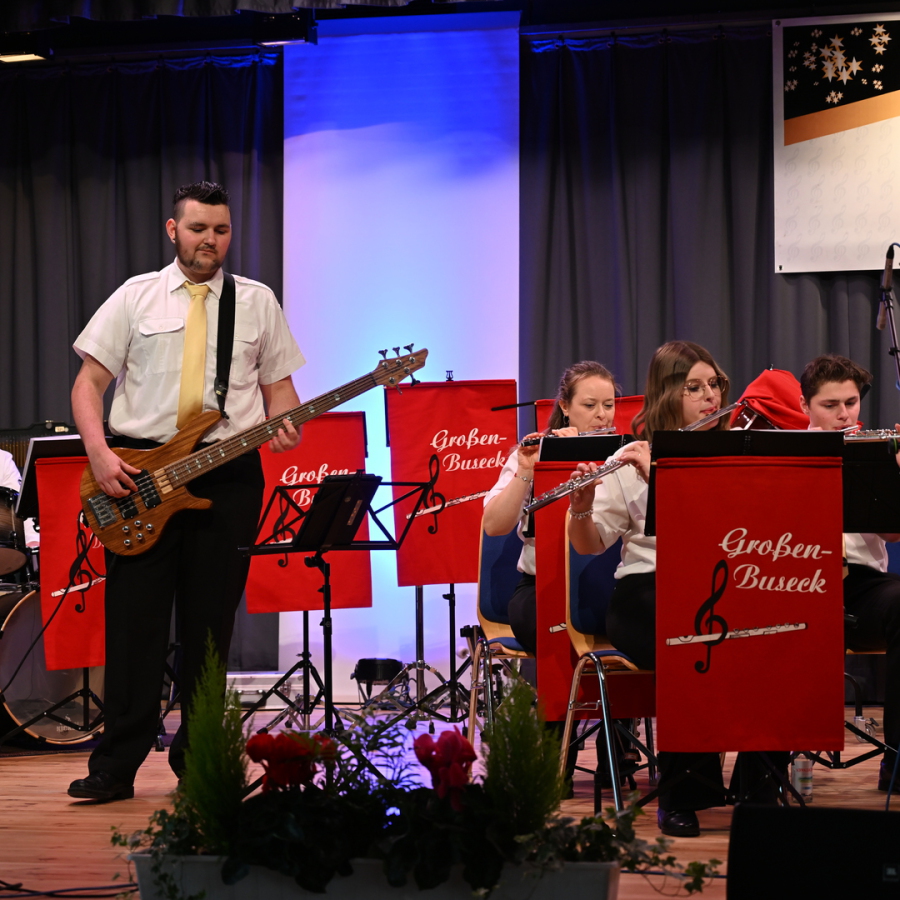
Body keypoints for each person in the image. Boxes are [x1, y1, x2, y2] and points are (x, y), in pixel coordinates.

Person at [67, 181, 305, 802]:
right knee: (134, 626)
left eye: (221, 230)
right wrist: (100, 453)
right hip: (139, 474)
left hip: (228, 476)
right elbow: (88, 385)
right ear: (173, 230)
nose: (211, 241)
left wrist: (286, 423)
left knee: (210, 627)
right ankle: (115, 766)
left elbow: (280, 390)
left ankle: (198, 760)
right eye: (199, 229)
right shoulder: (136, 295)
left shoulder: (257, 301)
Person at [567, 340, 788, 837]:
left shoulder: (739, 453)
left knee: (778, 629)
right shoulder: (632, 459)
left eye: (715, 384)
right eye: (695, 387)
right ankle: (684, 789)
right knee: (692, 630)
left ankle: (760, 782)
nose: (711, 396)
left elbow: (732, 537)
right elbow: (589, 543)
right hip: (646, 592)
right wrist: (580, 505)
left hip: (723, 585)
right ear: (667, 393)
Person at [799, 353, 900, 793]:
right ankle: (760, 776)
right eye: (830, 405)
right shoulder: (785, 454)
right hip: (796, 580)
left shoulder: (876, 452)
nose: (844, 414)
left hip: (859, 585)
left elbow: (893, 534)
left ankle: (897, 763)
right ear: (805, 406)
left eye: (851, 402)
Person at [483, 360, 618, 654]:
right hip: (540, 588)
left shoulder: (623, 457)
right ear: (565, 407)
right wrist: (529, 469)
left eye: (609, 405)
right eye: (590, 405)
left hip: (606, 585)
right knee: (555, 636)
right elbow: (494, 526)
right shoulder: (534, 452)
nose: (602, 415)